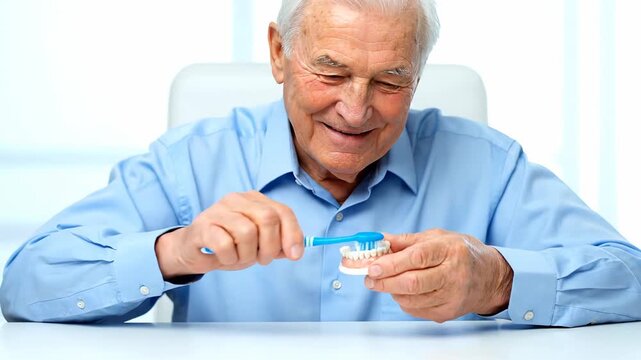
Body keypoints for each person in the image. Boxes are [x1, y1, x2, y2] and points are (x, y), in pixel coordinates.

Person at [1, 0, 640, 326]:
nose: (356, 110)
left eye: (391, 81)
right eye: (330, 71)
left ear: (419, 77)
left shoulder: (488, 166)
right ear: (279, 54)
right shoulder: (190, 162)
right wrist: (174, 250)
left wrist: (496, 281)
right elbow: (26, 284)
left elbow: (629, 276)